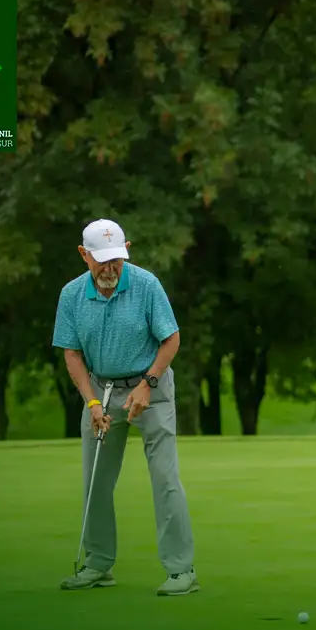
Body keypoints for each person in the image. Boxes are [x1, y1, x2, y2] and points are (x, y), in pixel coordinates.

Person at [52, 218, 199, 594]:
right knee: (96, 481)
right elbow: (72, 354)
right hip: (101, 391)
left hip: (151, 388)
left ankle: (181, 571)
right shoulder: (72, 295)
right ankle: (98, 563)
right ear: (84, 255)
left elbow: (171, 339)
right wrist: (92, 402)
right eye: (101, 260)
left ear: (126, 251)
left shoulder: (147, 285)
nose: (109, 269)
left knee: (165, 479)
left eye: (116, 259)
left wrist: (148, 385)